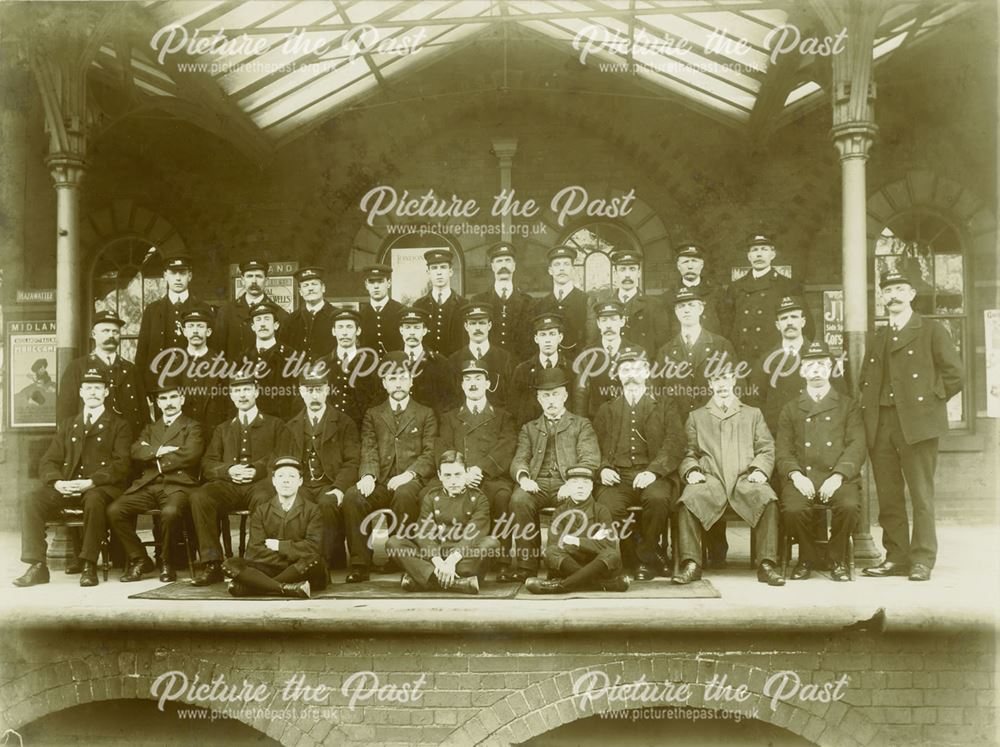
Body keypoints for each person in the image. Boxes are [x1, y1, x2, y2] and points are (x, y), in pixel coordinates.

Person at [859, 271, 964, 582]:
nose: (893, 295)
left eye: (899, 289)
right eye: (888, 290)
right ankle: (896, 556)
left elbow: (955, 374)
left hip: (917, 424)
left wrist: (929, 402)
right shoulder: (879, 336)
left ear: (911, 294)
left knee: (921, 494)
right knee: (889, 495)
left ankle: (922, 559)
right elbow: (867, 379)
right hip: (882, 423)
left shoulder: (931, 330)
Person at [14, 368, 132, 588]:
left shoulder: (119, 425)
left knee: (94, 500)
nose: (93, 393)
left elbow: (122, 464)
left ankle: (88, 564)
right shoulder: (69, 425)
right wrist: (57, 482)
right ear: (81, 392)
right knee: (32, 499)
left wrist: (91, 481)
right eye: (88, 388)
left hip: (100, 488)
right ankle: (37, 565)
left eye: (98, 388)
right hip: (67, 487)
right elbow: (48, 460)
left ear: (106, 392)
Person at [672, 370, 785, 587]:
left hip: (744, 478)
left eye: (726, 379)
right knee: (688, 501)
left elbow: (767, 448)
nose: (721, 384)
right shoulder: (697, 416)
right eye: (716, 379)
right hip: (710, 479)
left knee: (767, 498)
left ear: (733, 381)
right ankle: (691, 563)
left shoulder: (752, 414)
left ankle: (767, 564)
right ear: (710, 383)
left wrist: (760, 470)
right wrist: (692, 470)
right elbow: (688, 452)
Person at [341, 352, 437, 583]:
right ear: (384, 383)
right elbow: (369, 449)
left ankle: (399, 558)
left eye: (402, 377)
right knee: (353, 497)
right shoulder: (374, 414)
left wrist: (409, 474)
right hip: (381, 480)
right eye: (392, 378)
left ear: (411, 381)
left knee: (404, 495)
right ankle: (360, 563)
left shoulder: (425, 413)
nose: (398, 383)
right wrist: (367, 476)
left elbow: (430, 453)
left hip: (411, 480)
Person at [776, 342, 865, 582]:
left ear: (830, 369)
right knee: (793, 510)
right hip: (803, 477)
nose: (816, 370)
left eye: (822, 365)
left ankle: (836, 559)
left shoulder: (848, 406)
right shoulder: (791, 408)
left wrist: (837, 477)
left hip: (837, 477)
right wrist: (796, 475)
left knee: (848, 507)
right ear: (802, 371)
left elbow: (857, 446)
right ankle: (806, 557)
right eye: (810, 365)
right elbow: (782, 450)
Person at [594, 347, 685, 580]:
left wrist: (654, 471)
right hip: (618, 475)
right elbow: (596, 444)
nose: (631, 374)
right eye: (625, 369)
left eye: (636, 369)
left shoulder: (665, 404)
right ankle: (627, 558)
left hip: (653, 473)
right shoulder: (607, 408)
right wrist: (604, 468)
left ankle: (646, 558)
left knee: (657, 500)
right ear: (618, 375)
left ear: (646, 372)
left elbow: (675, 442)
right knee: (607, 506)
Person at [189, 375, 289, 586]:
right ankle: (212, 563)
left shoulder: (275, 424)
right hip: (229, 486)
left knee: (266, 497)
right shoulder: (223, 429)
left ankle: (255, 562)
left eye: (246, 390)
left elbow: (281, 457)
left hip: (260, 484)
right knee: (200, 496)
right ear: (231, 395)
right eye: (237, 391)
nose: (242, 395)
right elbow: (208, 463)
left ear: (256, 392)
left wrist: (257, 469)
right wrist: (228, 470)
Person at [508, 367, 600, 581]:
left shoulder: (581, 424)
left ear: (565, 396)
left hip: (566, 482)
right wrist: (524, 479)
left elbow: (589, 459)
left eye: (555, 394)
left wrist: (572, 482)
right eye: (546, 396)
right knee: (519, 500)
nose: (551, 400)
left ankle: (562, 561)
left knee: (578, 498)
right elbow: (520, 458)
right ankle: (527, 564)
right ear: (539, 399)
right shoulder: (529, 428)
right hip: (537, 482)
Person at [108, 380, 204, 583]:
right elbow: (135, 450)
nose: (168, 403)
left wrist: (154, 459)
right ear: (158, 403)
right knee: (115, 511)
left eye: (173, 397)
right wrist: (160, 451)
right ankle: (140, 559)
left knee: (170, 513)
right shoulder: (151, 428)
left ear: (182, 400)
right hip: (149, 484)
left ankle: (166, 561)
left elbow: (191, 454)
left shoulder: (192, 426)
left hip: (178, 485)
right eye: (163, 399)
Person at [435, 360, 518, 580]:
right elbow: (444, 447)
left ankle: (501, 560)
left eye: (478, 379)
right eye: (468, 380)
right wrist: (461, 474)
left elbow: (507, 445)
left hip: (490, 478)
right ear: (462, 385)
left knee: (503, 497)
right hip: (458, 477)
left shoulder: (502, 416)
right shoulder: (450, 417)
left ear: (488, 383)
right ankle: (447, 555)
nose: (473, 384)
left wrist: (479, 469)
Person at [385, 451, 500, 594]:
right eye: (447, 475)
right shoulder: (431, 497)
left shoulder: (478, 498)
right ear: (439, 475)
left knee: (491, 544)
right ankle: (460, 584)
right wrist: (438, 561)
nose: (453, 481)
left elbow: (473, 535)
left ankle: (425, 579)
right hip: (436, 557)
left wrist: (451, 562)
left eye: (458, 474)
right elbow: (424, 534)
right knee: (394, 542)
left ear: (466, 473)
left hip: (462, 558)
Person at [280, 367, 360, 570]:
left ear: (327, 390)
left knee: (327, 502)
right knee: (297, 502)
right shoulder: (291, 426)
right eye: (309, 390)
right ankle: (299, 559)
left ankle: (324, 561)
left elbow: (352, 462)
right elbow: (285, 460)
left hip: (329, 483)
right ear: (301, 392)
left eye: (318, 390)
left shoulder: (344, 422)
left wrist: (340, 488)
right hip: (303, 484)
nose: (314, 395)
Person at [221, 456, 326, 599]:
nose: (286, 480)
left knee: (314, 560)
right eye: (281, 476)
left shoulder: (313, 510)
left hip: (298, 569)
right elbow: (254, 552)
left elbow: (313, 548)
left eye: (291, 476)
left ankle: (257, 587)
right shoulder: (261, 511)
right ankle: (284, 588)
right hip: (272, 568)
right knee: (230, 564)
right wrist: (292, 553)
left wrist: (280, 546)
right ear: (274, 481)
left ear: (300, 482)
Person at [524, 465, 629, 594]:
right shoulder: (560, 512)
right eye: (575, 482)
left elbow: (608, 545)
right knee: (550, 552)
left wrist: (576, 541)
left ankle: (559, 586)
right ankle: (602, 584)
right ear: (567, 487)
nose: (580, 487)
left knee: (612, 554)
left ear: (591, 487)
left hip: (596, 563)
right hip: (570, 563)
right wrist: (592, 542)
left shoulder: (601, 510)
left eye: (585, 483)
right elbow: (555, 544)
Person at [749, 296, 845, 435]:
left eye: (794, 317)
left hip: (817, 433)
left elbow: (839, 395)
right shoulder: (766, 361)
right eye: (784, 318)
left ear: (803, 322)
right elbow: (756, 402)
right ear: (777, 325)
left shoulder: (823, 356)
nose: (789, 323)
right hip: (780, 435)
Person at [723, 233, 812, 366]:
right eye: (754, 250)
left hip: (775, 359)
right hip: (742, 360)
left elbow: (806, 326)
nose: (759, 254)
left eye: (764, 249)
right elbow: (727, 326)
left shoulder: (787, 285)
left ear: (773, 254)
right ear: (749, 256)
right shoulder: (736, 287)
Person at [57, 310, 148, 435]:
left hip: (129, 443)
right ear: (94, 334)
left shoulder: (131, 369)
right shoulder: (77, 368)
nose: (111, 335)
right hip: (91, 443)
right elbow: (65, 413)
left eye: (115, 332)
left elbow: (144, 413)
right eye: (105, 331)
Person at [136, 253, 203, 392]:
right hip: (158, 383)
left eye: (183, 273)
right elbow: (142, 351)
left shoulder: (202, 308)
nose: (178, 278)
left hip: (193, 381)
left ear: (190, 276)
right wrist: (143, 388)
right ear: (165, 275)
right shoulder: (152, 310)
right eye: (173, 273)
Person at [584, 250, 662, 356]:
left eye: (632, 269)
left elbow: (661, 345)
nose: (627, 275)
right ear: (615, 273)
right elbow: (592, 340)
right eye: (622, 269)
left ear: (639, 273)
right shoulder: (602, 304)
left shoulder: (654, 305)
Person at [214, 258, 290, 361]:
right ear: (242, 280)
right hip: (235, 374)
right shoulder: (226, 312)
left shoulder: (280, 314)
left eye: (259, 276)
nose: (254, 281)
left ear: (266, 280)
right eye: (249, 276)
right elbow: (219, 352)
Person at [509, 312, 577, 427]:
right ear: (536, 339)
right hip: (532, 435)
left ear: (560, 337)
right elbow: (514, 410)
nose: (547, 340)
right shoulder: (522, 370)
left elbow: (576, 408)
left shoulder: (572, 369)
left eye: (552, 334)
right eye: (543, 335)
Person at [472, 241, 535, 362]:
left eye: (507, 260)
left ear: (514, 266)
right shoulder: (479, 301)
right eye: (499, 261)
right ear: (492, 266)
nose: (503, 266)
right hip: (488, 366)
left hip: (519, 368)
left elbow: (531, 342)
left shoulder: (528, 302)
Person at [319, 308, 380, 428]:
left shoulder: (371, 364)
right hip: (330, 429)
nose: (345, 332)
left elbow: (377, 400)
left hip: (362, 429)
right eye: (340, 327)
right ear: (333, 331)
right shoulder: (322, 364)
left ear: (358, 331)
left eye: (349, 327)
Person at [239, 301, 300, 419]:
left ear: (276, 325)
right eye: (258, 320)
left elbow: (296, 396)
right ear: (253, 327)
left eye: (267, 319)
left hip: (282, 421)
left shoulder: (290, 355)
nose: (262, 324)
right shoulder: (243, 357)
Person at [176, 307, 231, 435]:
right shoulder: (174, 364)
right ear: (184, 331)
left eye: (200, 326)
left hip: (214, 433)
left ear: (209, 332)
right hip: (182, 434)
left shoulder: (221, 365)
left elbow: (229, 404)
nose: (195, 331)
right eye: (190, 326)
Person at [574, 301, 631, 419]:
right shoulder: (587, 354)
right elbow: (581, 394)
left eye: (613, 319)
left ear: (622, 321)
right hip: (597, 421)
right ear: (598, 324)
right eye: (604, 320)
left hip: (627, 421)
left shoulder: (636, 352)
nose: (608, 325)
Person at [447, 303, 512, 408]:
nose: (478, 328)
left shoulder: (504, 358)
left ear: (489, 325)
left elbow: (509, 398)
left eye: (482, 323)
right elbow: (451, 399)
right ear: (466, 326)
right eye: (473, 323)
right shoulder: (454, 359)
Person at [396, 306, 457, 416]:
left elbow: (448, 402)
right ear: (401, 330)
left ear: (424, 331)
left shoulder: (440, 363)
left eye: (416, 328)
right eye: (408, 327)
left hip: (431, 427)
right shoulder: (392, 361)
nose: (412, 333)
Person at [660, 243, 725, 341]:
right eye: (685, 262)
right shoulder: (668, 297)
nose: (690, 266)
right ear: (678, 266)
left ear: (701, 265)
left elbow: (726, 327)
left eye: (694, 261)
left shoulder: (717, 293)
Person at [534, 245, 588, 361]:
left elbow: (590, 339)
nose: (562, 269)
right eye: (557, 264)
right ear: (550, 270)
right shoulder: (541, 304)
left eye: (566, 264)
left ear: (573, 269)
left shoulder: (586, 300)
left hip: (577, 365)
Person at [414, 248, 466, 356]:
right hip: (427, 367)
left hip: (454, 367)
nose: (439, 272)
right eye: (434, 268)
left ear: (450, 271)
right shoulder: (419, 306)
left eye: (443, 267)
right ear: (428, 273)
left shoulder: (464, 305)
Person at [285, 266, 336, 361]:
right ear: (300, 292)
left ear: (323, 288)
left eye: (314, 284)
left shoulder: (336, 316)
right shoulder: (291, 320)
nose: (310, 289)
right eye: (306, 285)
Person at [358, 264, 404, 356]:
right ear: (366, 285)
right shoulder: (360, 315)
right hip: (368, 368)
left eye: (380, 281)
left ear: (389, 283)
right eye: (371, 282)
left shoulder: (400, 311)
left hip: (395, 367)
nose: (376, 286)